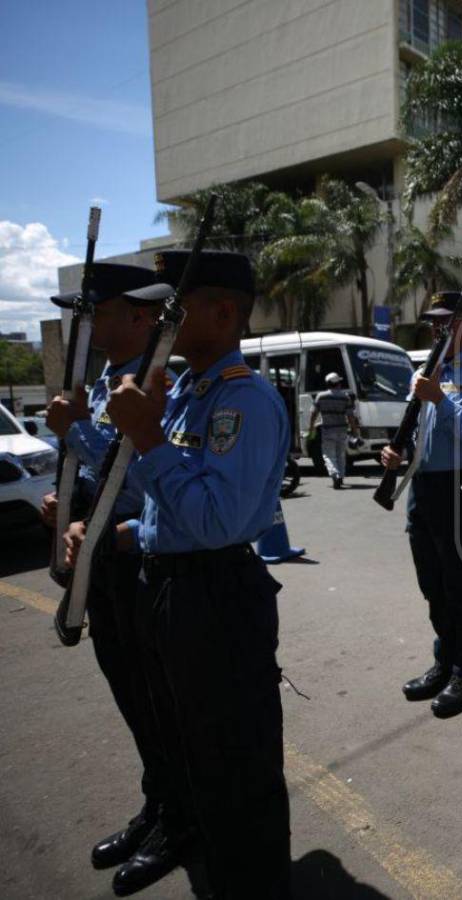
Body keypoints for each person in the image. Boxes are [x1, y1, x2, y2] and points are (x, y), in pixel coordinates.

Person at [66, 250, 292, 898]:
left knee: (237, 770)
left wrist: (150, 441)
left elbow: (219, 523)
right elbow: (171, 505)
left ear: (222, 314)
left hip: (216, 598)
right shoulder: (191, 391)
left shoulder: (242, 400)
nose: (163, 320)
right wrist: (129, 528)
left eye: (176, 307)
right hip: (173, 590)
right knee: (198, 758)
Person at [43, 264, 190, 896]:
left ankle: (181, 823)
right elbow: (100, 480)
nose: (90, 324)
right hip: (102, 559)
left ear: (138, 317)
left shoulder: (161, 385)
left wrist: (73, 431)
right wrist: (68, 505)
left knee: (161, 702)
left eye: (98, 312)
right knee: (131, 696)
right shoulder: (100, 386)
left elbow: (141, 483)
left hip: (141, 559)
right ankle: (157, 807)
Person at [382, 290, 462, 718]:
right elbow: (419, 434)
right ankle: (445, 661)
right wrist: (396, 453)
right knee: (433, 586)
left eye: (446, 322)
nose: (436, 329)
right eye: (433, 322)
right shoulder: (425, 371)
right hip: (425, 488)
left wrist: (440, 399)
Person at [308, 371, 360, 489]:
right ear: (337, 383)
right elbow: (350, 416)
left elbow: (313, 413)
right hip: (342, 429)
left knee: (328, 455)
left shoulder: (321, 396)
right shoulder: (345, 397)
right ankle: (340, 476)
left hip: (327, 430)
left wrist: (311, 428)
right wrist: (354, 431)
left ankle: (335, 474)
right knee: (341, 454)